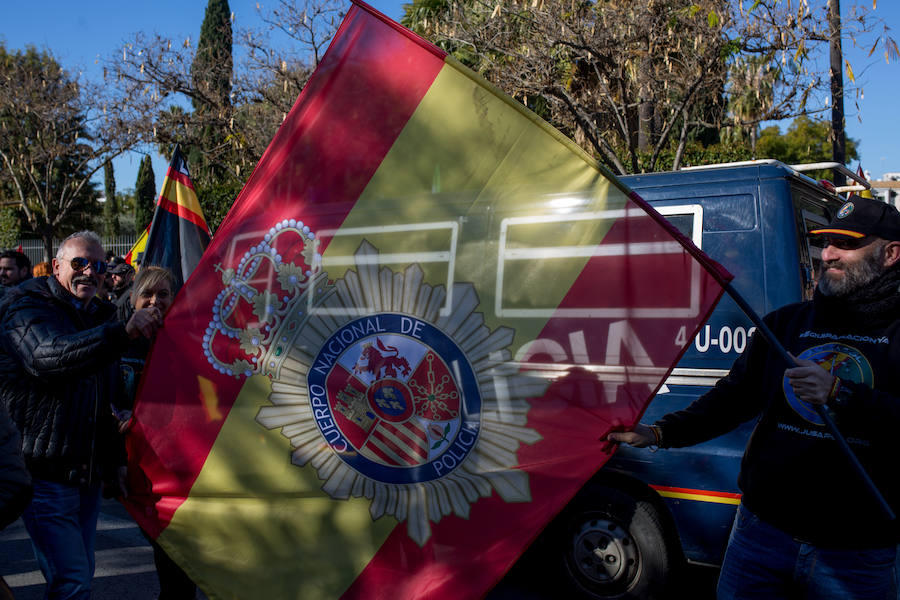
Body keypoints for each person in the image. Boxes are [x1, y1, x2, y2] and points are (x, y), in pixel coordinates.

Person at [608, 195, 900, 599]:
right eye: (827, 242)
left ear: (890, 254)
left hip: (856, 554)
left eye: (847, 245)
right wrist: (658, 433)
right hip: (760, 536)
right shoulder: (787, 323)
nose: (828, 253)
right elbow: (731, 400)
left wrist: (841, 393)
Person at [0, 230, 163, 600]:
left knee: (79, 574)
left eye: (98, 265)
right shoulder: (25, 305)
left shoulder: (101, 314)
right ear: (57, 266)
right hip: (42, 471)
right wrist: (120, 333)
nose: (89, 272)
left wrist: (116, 460)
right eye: (79, 263)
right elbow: (47, 356)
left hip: (85, 472)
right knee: (73, 580)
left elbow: (103, 398)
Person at [111, 266, 197, 600]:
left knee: (176, 560)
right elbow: (103, 394)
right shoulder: (118, 342)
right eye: (147, 294)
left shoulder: (189, 342)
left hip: (180, 464)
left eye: (163, 294)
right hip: (137, 467)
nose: (154, 301)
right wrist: (119, 414)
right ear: (133, 299)